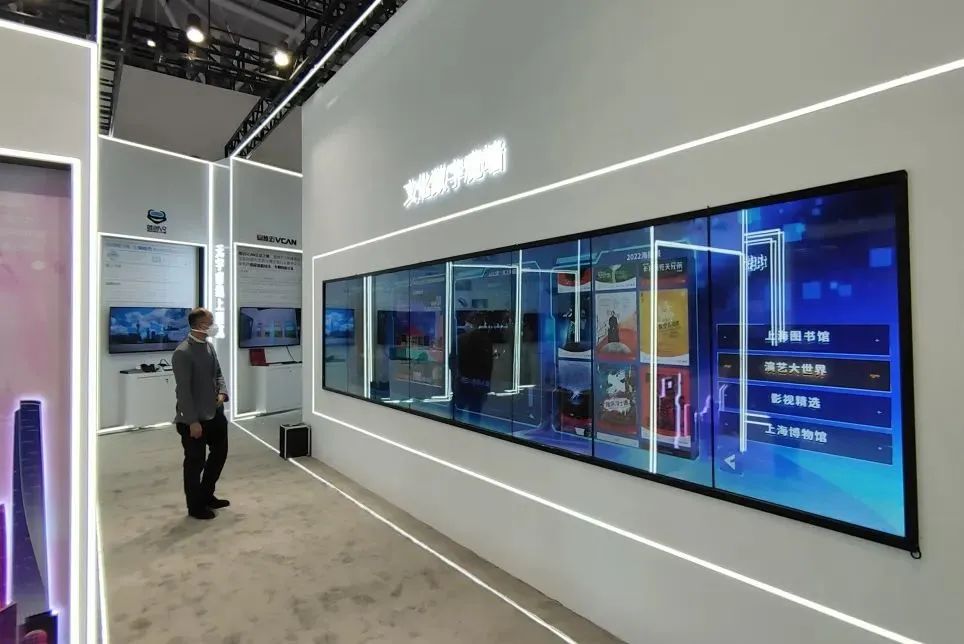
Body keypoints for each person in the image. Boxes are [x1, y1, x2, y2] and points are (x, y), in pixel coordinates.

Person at [172, 307, 230, 520]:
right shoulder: (182, 352)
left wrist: (222, 392)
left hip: (215, 414)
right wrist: (192, 421)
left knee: (219, 455)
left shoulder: (209, 346)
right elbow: (183, 391)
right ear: (200, 325)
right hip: (194, 420)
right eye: (210, 321)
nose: (214, 324)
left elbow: (218, 373)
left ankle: (207, 495)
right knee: (195, 463)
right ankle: (195, 506)